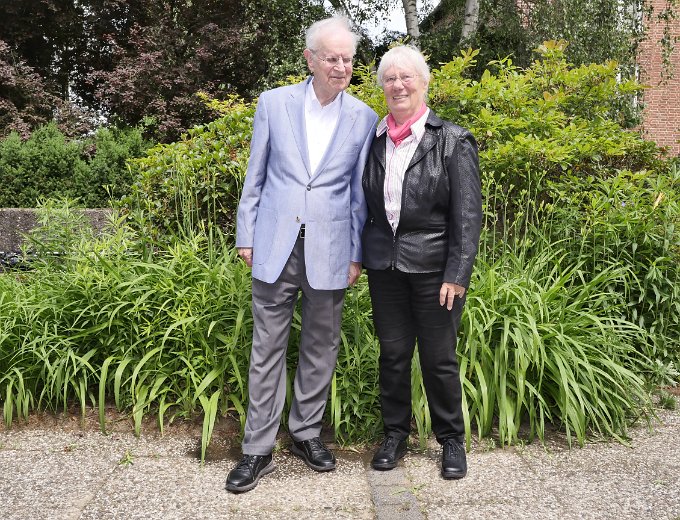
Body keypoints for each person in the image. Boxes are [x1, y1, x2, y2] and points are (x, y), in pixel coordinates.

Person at [226, 16, 379, 493]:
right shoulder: (274, 103)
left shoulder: (364, 117)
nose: (341, 67)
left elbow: (358, 196)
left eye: (348, 59)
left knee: (320, 345)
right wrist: (246, 235)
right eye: (332, 58)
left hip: (331, 249)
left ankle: (306, 433)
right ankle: (257, 448)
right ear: (310, 59)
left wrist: (355, 253)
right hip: (275, 244)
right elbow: (255, 174)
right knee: (266, 347)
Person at [361, 45, 482, 480]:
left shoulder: (452, 140)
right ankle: (395, 434)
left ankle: (451, 440)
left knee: (438, 358)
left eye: (406, 77)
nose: (397, 85)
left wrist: (457, 273)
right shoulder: (373, 139)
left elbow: (467, 216)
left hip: (435, 271)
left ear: (424, 83)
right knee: (393, 355)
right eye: (389, 78)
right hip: (385, 268)